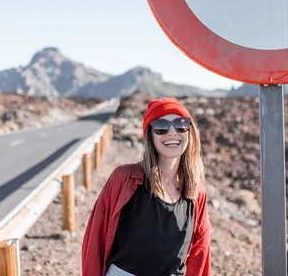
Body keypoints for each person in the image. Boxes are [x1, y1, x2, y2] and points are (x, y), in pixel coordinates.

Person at [81, 97, 211, 276]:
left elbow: (200, 253)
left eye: (181, 124)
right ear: (150, 135)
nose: (172, 132)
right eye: (161, 127)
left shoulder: (196, 192)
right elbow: (95, 240)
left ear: (190, 132)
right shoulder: (124, 179)